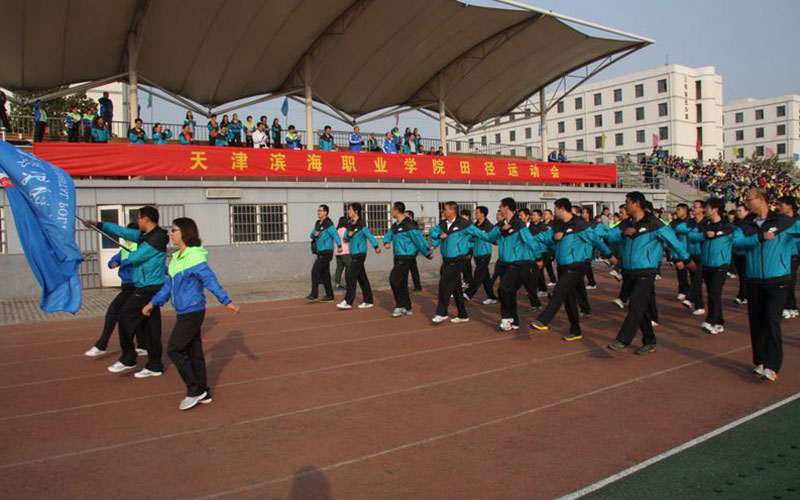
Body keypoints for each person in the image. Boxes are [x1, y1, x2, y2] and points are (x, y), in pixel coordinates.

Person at [144, 217, 239, 410]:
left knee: (174, 349)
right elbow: (168, 286)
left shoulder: (195, 257)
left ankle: (194, 390)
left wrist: (226, 301)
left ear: (185, 232)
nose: (171, 233)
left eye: (174, 230)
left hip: (193, 309)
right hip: (183, 310)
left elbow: (210, 280)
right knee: (193, 351)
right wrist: (153, 303)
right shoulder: (176, 258)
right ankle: (203, 391)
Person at [84, 206, 169, 376]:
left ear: (146, 219)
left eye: (139, 218)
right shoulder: (145, 235)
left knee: (124, 316)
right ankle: (154, 365)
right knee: (152, 327)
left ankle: (128, 358)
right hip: (147, 285)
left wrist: (122, 260)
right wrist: (99, 225)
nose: (137, 221)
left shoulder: (158, 237)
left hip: (149, 287)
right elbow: (122, 232)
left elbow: (137, 256)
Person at [605, 192, 690, 355]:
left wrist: (684, 258)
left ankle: (623, 340)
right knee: (641, 309)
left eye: (627, 202)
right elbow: (610, 236)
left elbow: (673, 242)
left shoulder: (654, 223)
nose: (625, 205)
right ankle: (650, 341)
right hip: (629, 270)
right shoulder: (626, 223)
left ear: (637, 203)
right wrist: (623, 233)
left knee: (635, 306)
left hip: (646, 270)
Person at [734, 188, 800, 382]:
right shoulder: (745, 224)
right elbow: (737, 244)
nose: (746, 203)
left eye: (749, 199)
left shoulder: (783, 222)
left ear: (761, 199)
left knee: (772, 320)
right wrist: (759, 237)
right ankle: (760, 361)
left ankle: (772, 365)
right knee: (757, 322)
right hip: (754, 279)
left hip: (777, 279)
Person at [529, 198, 612, 341]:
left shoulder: (580, 225)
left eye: (555, 209)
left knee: (558, 290)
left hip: (577, 265)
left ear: (562, 209)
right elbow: (543, 238)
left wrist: (609, 255)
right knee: (569, 299)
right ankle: (576, 331)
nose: (554, 212)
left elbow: (595, 241)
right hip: (562, 266)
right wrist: (553, 238)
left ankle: (544, 319)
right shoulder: (557, 225)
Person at [479, 198, 547, 331]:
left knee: (503, 289)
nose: (499, 209)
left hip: (518, 263)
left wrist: (538, 258)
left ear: (507, 207)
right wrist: (500, 230)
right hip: (503, 263)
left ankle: (507, 318)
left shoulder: (519, 224)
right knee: (508, 292)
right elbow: (489, 237)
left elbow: (530, 241)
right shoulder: (500, 225)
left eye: (501, 206)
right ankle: (514, 321)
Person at [84, 223, 145, 358]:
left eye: (128, 233)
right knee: (134, 315)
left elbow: (137, 261)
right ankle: (142, 345)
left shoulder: (140, 248)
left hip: (136, 286)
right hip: (126, 285)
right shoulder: (124, 249)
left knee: (115, 311)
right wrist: (113, 263)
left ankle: (102, 344)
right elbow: (112, 261)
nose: (125, 236)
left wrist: (125, 262)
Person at [429, 202, 494, 324]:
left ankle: (441, 313)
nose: (443, 212)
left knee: (444, 284)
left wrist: (498, 235)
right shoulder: (442, 224)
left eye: (445, 210)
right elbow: (432, 232)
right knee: (456, 288)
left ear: (453, 211)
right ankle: (463, 314)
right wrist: (438, 236)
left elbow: (482, 235)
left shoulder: (464, 224)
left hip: (458, 259)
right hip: (446, 260)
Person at [687, 197, 743, 334]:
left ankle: (710, 320)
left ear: (715, 210)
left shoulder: (729, 226)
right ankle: (719, 321)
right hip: (706, 265)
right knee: (713, 295)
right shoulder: (704, 224)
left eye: (707, 208)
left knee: (714, 294)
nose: (705, 210)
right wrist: (705, 235)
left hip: (721, 265)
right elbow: (691, 236)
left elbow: (739, 240)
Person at [384, 202, 432, 317]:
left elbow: (419, 240)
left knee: (393, 279)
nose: (391, 212)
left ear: (397, 210)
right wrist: (386, 242)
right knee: (402, 282)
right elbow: (388, 235)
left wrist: (426, 253)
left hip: (406, 255)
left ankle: (399, 305)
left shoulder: (409, 225)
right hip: (397, 256)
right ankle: (407, 307)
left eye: (392, 210)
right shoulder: (395, 225)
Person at [337, 203, 381, 309]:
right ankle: (368, 300)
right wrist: (348, 235)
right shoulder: (350, 224)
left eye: (350, 209)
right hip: (353, 253)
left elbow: (369, 236)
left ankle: (348, 301)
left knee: (350, 274)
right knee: (362, 278)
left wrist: (376, 246)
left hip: (360, 253)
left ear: (356, 211)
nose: (348, 211)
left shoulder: (361, 224)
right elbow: (345, 238)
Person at [676, 200, 707, 316]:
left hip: (703, 254)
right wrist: (694, 232)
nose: (693, 209)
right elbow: (679, 228)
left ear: (702, 209)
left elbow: (706, 236)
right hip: (691, 254)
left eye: (695, 207)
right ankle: (699, 305)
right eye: (693, 207)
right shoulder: (690, 222)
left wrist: (693, 234)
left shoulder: (707, 222)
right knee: (694, 279)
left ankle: (689, 297)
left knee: (698, 278)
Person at [464, 206, 498, 305]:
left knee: (478, 275)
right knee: (485, 277)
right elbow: (471, 238)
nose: (475, 214)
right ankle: (492, 297)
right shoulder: (475, 225)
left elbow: (493, 239)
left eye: (477, 212)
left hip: (485, 254)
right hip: (476, 254)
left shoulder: (489, 226)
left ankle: (468, 294)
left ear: (483, 214)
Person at [307, 205, 342, 303]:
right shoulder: (318, 223)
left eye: (320, 210)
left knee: (315, 271)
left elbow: (335, 235)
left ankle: (314, 294)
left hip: (327, 252)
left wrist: (339, 246)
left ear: (325, 212)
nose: (318, 212)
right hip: (320, 252)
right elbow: (311, 235)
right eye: (318, 210)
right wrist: (314, 234)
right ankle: (330, 296)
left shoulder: (329, 224)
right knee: (325, 275)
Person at [777, 196, 800, 319]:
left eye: (781, 205)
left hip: (793, 254)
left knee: (788, 281)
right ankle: (791, 306)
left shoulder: (796, 222)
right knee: (786, 281)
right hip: (782, 254)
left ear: (790, 206)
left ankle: (788, 306)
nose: (778, 207)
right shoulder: (778, 220)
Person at [669, 203, 691, 301]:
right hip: (679, 252)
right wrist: (675, 255)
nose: (676, 211)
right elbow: (670, 239)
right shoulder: (673, 223)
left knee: (695, 275)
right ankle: (683, 291)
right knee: (681, 272)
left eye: (679, 209)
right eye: (676, 209)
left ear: (685, 210)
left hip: (692, 252)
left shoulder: (692, 222)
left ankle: (692, 293)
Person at [732, 204, 750, 305]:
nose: (737, 212)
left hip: (746, 253)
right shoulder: (736, 223)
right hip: (737, 253)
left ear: (747, 211)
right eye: (737, 210)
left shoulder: (750, 223)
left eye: (740, 210)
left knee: (744, 276)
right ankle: (744, 294)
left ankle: (742, 295)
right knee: (741, 275)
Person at [405, 210, 423, 291]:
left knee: (407, 269)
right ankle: (417, 286)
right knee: (413, 268)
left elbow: (418, 239)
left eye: (406, 216)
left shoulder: (413, 225)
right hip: (407, 250)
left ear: (411, 217)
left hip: (411, 251)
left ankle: (413, 287)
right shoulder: (407, 225)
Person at [333, 216, 350, 290]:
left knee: (339, 268)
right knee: (349, 268)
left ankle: (337, 284)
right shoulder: (345, 230)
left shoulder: (336, 230)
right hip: (345, 251)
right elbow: (346, 239)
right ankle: (349, 283)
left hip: (337, 252)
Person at [459, 209, 474, 289]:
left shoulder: (471, 225)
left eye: (463, 216)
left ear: (467, 216)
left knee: (466, 266)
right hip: (464, 248)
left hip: (469, 248)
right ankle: (468, 281)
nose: (461, 217)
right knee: (465, 265)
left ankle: (468, 281)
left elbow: (473, 237)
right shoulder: (463, 225)